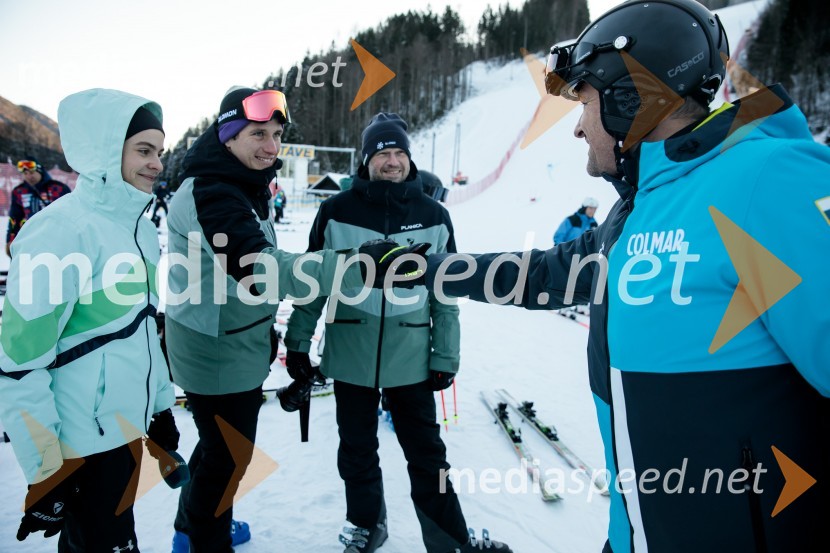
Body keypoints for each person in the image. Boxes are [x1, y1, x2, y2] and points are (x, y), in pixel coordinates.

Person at [413, 1, 830, 551]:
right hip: (636, 534)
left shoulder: (765, 180)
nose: (578, 129)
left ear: (632, 99)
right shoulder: (638, 212)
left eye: (583, 103)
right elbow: (539, 273)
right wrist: (423, 268)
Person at [165, 88, 408, 553]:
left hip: (231, 340)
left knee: (217, 448)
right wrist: (353, 264)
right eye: (258, 133)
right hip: (214, 352)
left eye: (276, 134)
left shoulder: (238, 183)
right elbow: (260, 269)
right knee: (227, 459)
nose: (271, 146)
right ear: (228, 135)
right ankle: (202, 540)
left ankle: (190, 530)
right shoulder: (211, 192)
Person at [284, 113, 512, 553]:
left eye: (399, 153)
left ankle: (451, 541)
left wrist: (445, 356)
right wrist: (297, 343)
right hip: (350, 350)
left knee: (427, 456)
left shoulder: (434, 214)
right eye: (382, 154)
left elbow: (445, 293)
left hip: (410, 356)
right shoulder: (335, 211)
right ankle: (366, 526)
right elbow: (313, 282)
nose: (392, 162)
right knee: (356, 451)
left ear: (409, 158)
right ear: (367, 160)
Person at [0, 89, 180, 551]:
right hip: (80, 446)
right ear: (104, 152)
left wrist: (159, 408)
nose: (157, 163)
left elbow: (141, 330)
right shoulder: (60, 230)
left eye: (159, 151)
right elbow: (19, 364)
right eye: (143, 150)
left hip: (124, 431)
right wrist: (47, 469)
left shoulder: (137, 227)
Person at [5, 156, 72, 256]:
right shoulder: (19, 191)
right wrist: (10, 240)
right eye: (25, 173)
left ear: (40, 171)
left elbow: (71, 215)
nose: (28, 176)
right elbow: (14, 219)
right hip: (29, 239)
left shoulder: (59, 188)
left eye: (32, 173)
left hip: (56, 239)